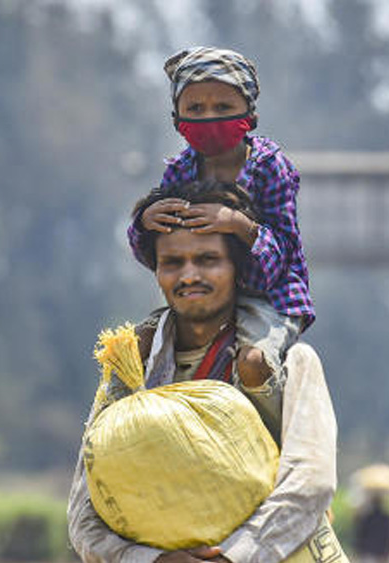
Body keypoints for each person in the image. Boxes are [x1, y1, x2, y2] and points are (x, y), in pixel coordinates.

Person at [69, 180, 338, 563]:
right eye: (173, 263)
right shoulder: (132, 368)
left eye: (208, 260)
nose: (189, 275)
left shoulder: (292, 363)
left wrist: (232, 557)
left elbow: (309, 485)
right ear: (157, 272)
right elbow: (84, 512)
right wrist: (154, 560)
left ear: (238, 269)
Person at [126, 46, 313, 392]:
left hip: (268, 296)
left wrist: (237, 224)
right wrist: (144, 222)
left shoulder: (271, 168)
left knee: (254, 364)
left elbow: (284, 251)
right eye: (196, 108)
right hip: (202, 292)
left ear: (250, 114)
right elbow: (154, 247)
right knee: (133, 350)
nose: (209, 117)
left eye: (223, 107)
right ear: (177, 117)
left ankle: (274, 431)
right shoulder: (180, 170)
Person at [352, 492, 389, 563]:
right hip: (381, 555)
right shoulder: (387, 519)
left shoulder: (367, 517)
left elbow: (360, 534)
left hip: (367, 554)